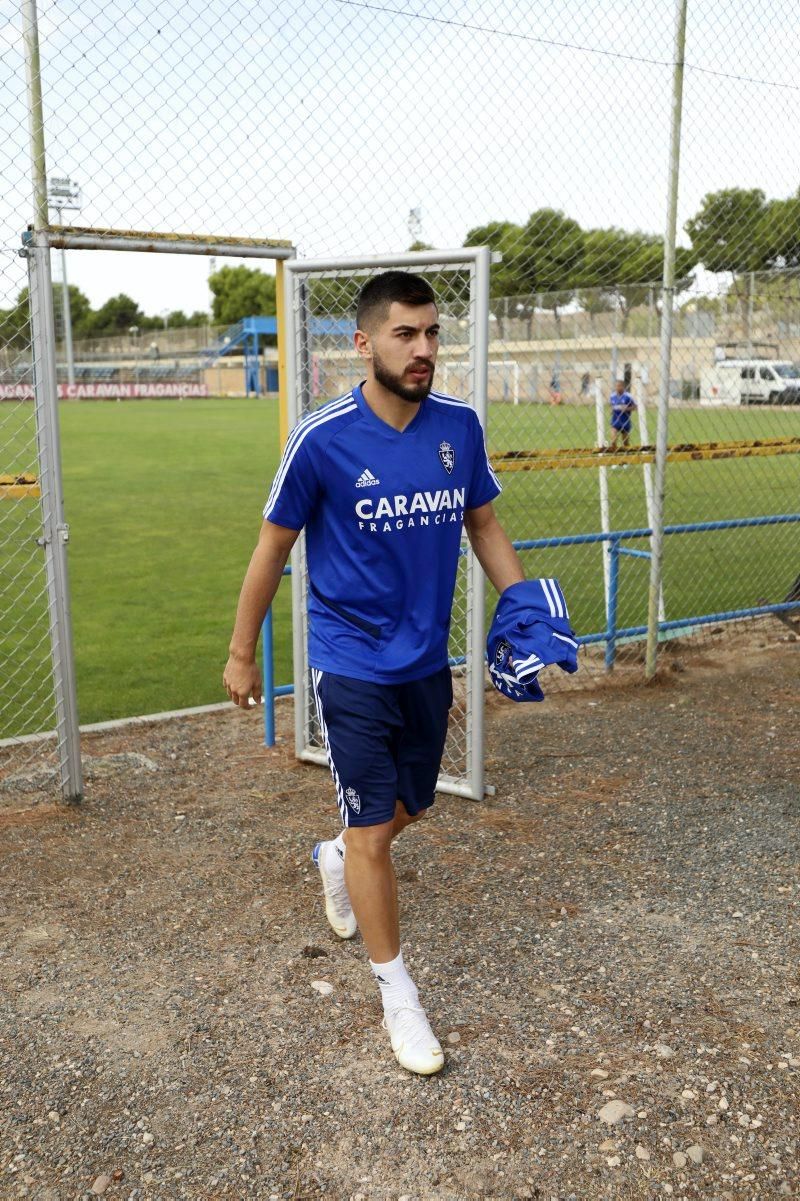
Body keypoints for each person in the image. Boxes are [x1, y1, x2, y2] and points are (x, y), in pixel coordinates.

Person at [223, 271, 525, 1076]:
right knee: (373, 834)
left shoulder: (460, 426)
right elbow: (272, 548)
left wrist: (521, 602)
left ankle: (335, 855)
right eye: (405, 334)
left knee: (407, 808)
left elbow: (484, 522)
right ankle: (399, 994)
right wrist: (242, 649)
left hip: (426, 661)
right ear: (364, 343)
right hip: (349, 661)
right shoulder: (321, 438)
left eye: (431, 333)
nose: (424, 349)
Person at [609, 377, 637, 450]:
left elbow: (635, 407)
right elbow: (611, 405)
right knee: (613, 441)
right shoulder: (612, 396)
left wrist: (626, 409)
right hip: (615, 421)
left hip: (625, 421)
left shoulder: (628, 396)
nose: (617, 388)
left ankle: (627, 457)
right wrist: (611, 410)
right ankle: (614, 455)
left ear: (623, 386)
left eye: (619, 386)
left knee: (625, 443)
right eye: (616, 386)